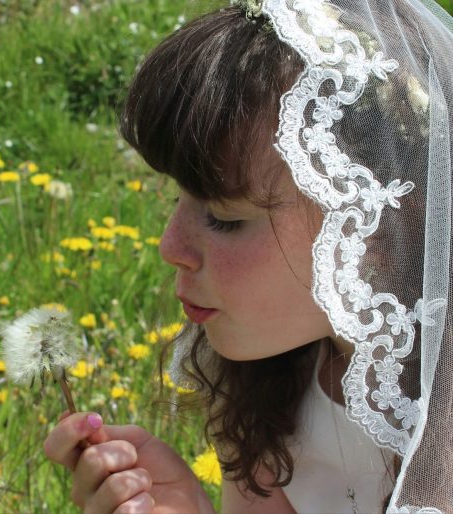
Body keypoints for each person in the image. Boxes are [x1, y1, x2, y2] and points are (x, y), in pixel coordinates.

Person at [43, 0, 453, 512]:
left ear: (372, 234)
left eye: (225, 219)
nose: (170, 247)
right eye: (178, 200)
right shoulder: (271, 387)